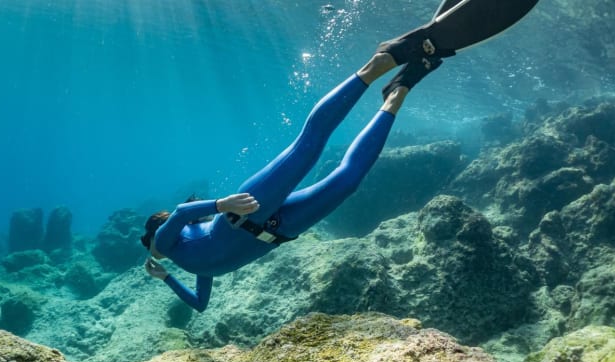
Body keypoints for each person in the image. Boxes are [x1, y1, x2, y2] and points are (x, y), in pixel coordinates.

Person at [141, 32, 454, 312]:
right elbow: (200, 305)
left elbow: (182, 212)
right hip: (280, 230)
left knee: (307, 148)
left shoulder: (164, 241)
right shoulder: (199, 268)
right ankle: (397, 93)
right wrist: (165, 276)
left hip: (245, 212)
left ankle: (379, 63)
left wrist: (222, 205)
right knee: (347, 182)